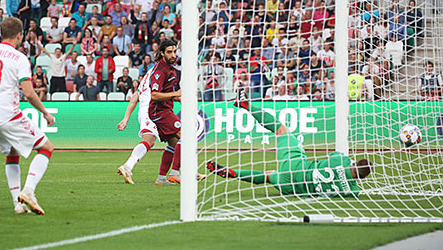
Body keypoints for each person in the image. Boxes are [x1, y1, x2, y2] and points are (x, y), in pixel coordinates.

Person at [207, 89, 373, 197]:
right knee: (267, 176)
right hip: (292, 187)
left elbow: (333, 156)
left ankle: (246, 104)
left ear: (355, 162)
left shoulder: (341, 160)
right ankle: (233, 172)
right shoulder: (352, 191)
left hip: (297, 166)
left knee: (281, 130)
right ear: (363, 178)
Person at [0, 17, 55, 215]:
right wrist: (45, 112)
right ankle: (29, 191)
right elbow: (28, 93)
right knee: (46, 148)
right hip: (6, 115)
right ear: (20, 35)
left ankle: (18, 204)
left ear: (0, 33)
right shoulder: (19, 58)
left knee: (12, 152)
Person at [117, 65, 160, 184]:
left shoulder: (146, 79)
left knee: (175, 139)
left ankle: (179, 172)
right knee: (149, 140)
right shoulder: (159, 75)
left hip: (149, 111)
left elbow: (134, 100)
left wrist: (125, 119)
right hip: (150, 111)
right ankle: (128, 166)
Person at [149, 40, 183, 184]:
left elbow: (168, 93)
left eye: (174, 51)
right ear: (162, 53)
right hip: (159, 111)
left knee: (173, 142)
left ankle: (161, 178)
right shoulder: (159, 71)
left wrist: (178, 97)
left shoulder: (171, 69)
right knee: (186, 136)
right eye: (169, 52)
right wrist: (176, 93)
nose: (173, 55)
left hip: (166, 109)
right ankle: (175, 173)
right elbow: (155, 95)